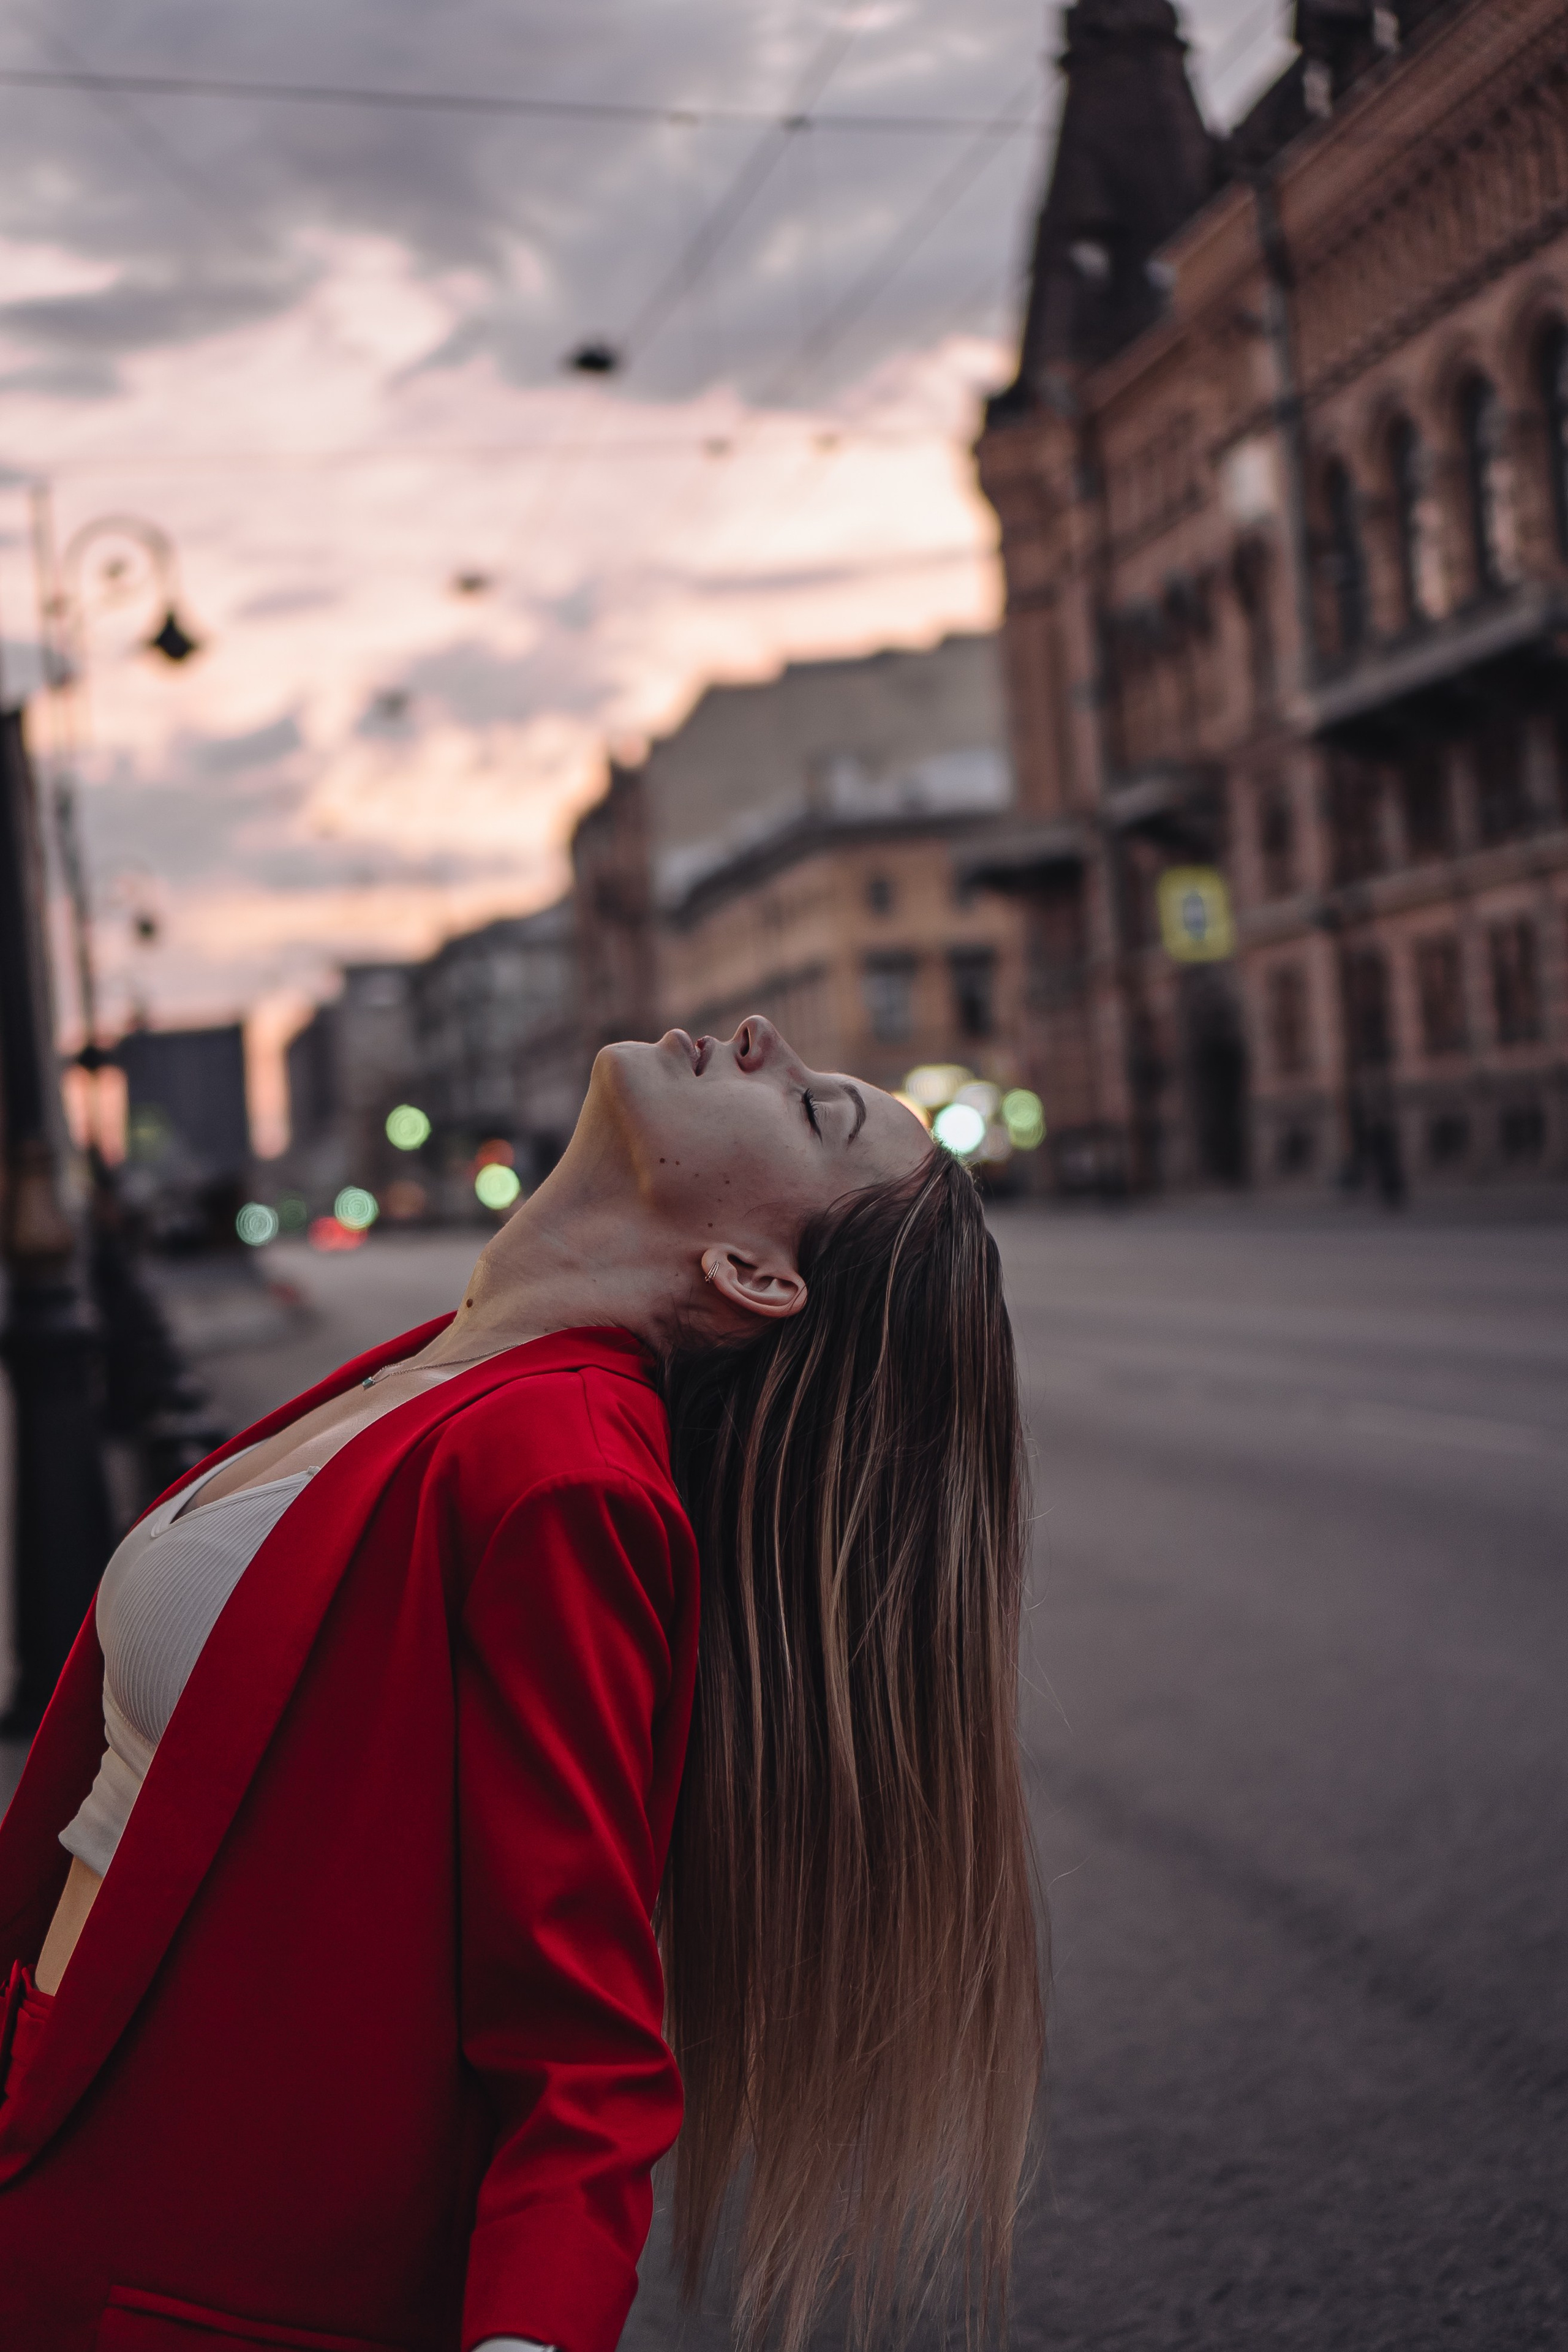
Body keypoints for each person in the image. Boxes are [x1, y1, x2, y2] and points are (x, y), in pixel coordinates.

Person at [0, 1016, 1043, 2352]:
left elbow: (578, 2050)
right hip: (57, 2156)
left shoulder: (565, 1474)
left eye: (812, 1112)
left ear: (749, 1272)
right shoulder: (451, 1369)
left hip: (174, 2288)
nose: (763, 1039)